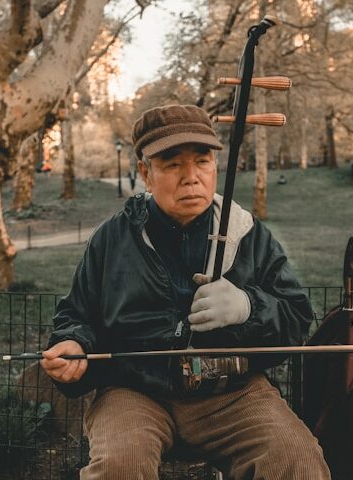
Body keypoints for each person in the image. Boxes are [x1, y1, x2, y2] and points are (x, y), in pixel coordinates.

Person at [41, 104, 330, 480]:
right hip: (133, 390)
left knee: (297, 461)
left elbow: (296, 318)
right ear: (145, 173)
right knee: (119, 467)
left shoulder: (248, 234)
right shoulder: (112, 238)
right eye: (172, 164)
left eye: (202, 161)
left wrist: (249, 307)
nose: (191, 178)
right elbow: (76, 315)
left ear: (215, 167)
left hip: (232, 391)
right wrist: (74, 344)